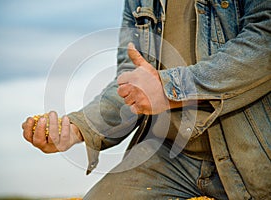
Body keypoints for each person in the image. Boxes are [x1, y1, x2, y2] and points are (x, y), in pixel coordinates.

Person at [22, 0, 271, 199]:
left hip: (253, 154)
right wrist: (78, 128)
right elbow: (132, 83)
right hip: (171, 154)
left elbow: (264, 40)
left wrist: (168, 90)